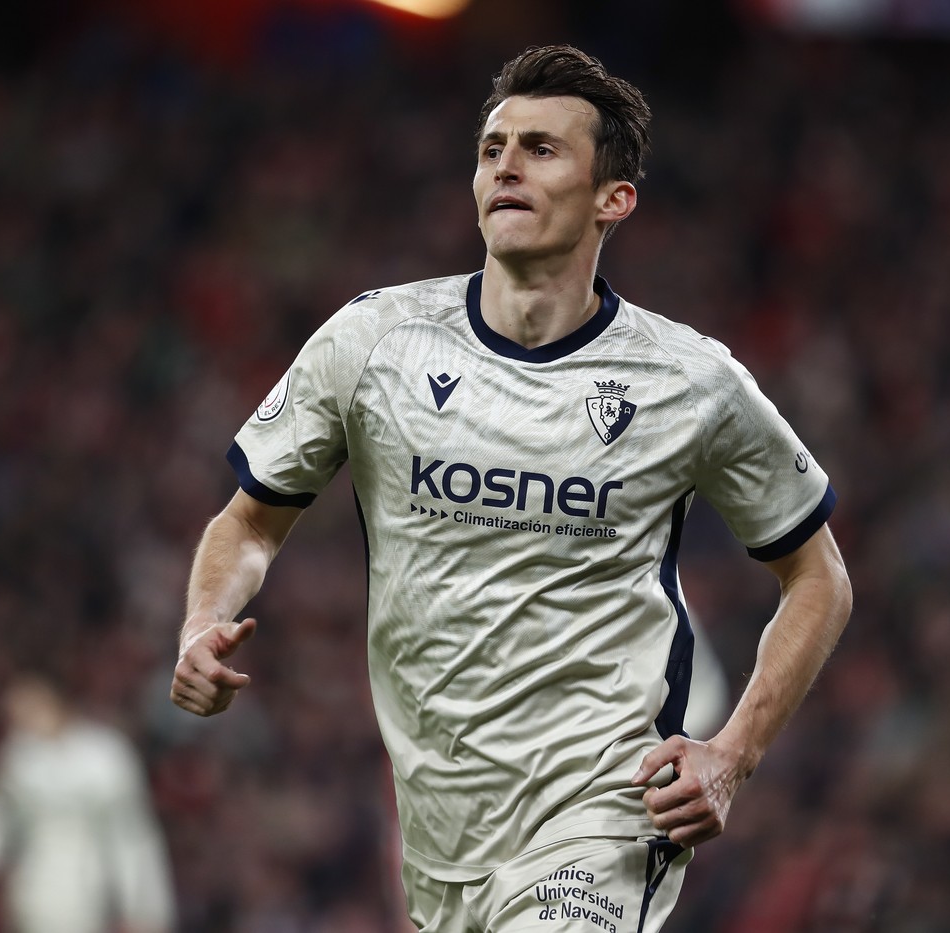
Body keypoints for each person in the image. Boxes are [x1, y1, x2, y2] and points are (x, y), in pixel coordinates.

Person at [170, 44, 852, 932]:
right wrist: (199, 622)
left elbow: (820, 576)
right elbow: (250, 523)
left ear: (615, 199)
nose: (506, 167)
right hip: (442, 831)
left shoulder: (690, 381)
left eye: (541, 148)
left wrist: (734, 752)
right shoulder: (374, 341)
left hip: (606, 814)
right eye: (493, 148)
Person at [0, 670, 177, 933]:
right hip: (31, 902)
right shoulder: (19, 760)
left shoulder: (106, 759)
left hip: (88, 904)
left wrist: (145, 910)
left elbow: (132, 840)